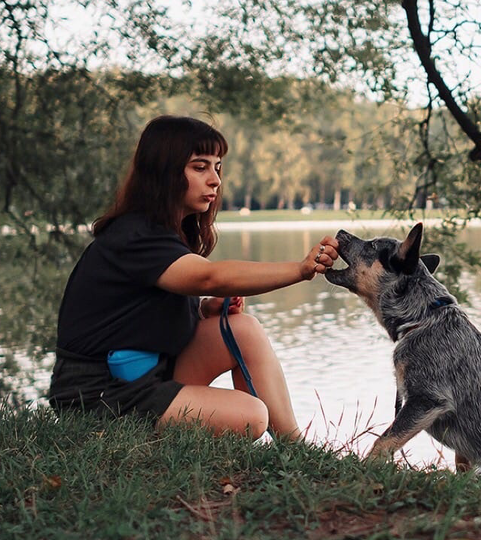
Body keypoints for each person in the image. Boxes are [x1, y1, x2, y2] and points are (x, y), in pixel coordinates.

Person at [47, 115, 338, 441]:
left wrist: (202, 311)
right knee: (251, 416)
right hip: (98, 396)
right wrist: (300, 269)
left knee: (242, 329)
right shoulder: (134, 235)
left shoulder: (166, 234)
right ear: (163, 172)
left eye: (217, 167)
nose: (215, 180)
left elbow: (135, 315)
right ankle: (136, 434)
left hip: (145, 377)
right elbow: (209, 278)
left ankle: (294, 447)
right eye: (200, 167)